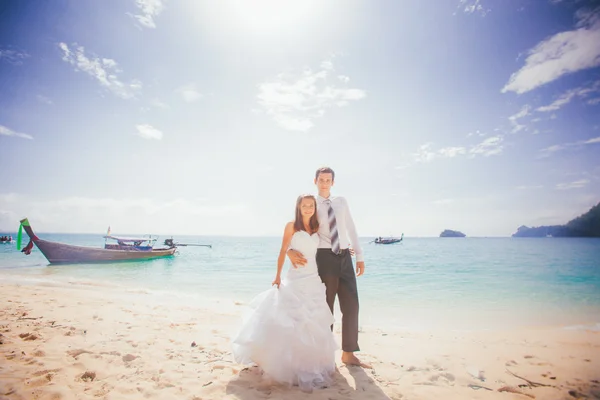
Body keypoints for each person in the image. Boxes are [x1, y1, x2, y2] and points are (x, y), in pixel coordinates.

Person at [231, 194, 337, 392]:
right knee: (294, 319)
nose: (308, 208)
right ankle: (288, 366)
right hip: (296, 277)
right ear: (298, 207)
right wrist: (278, 275)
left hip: (313, 278)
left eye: (311, 205)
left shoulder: (316, 227)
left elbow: (330, 242)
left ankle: (311, 363)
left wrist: (349, 251)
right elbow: (282, 250)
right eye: (304, 205)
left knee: (314, 321)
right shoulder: (291, 226)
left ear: (315, 207)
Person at [287, 166, 368, 367]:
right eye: (321, 180)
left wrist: (359, 255)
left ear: (333, 182)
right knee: (327, 308)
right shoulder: (311, 203)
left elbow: (350, 227)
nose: (324, 183)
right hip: (324, 257)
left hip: (345, 256)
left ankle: (348, 354)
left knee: (352, 305)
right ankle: (325, 355)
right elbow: (297, 226)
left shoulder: (341, 202)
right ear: (315, 181)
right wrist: (289, 250)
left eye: (328, 180)